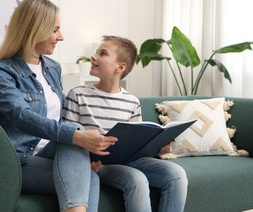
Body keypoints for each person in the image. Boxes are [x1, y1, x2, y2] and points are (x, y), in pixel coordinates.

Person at [0, 0, 118, 212]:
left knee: (77, 138)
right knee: (86, 169)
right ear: (35, 29)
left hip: (49, 153)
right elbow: (20, 114)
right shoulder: (0, 72)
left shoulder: (53, 68)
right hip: (17, 161)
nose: (61, 37)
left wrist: (89, 148)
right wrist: (76, 136)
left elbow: (64, 115)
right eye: (55, 30)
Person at [63, 35, 188, 212]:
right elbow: (67, 137)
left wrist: (157, 147)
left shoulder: (132, 101)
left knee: (177, 175)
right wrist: (83, 162)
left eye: (102, 53)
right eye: (96, 52)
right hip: (98, 164)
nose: (94, 57)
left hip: (128, 160)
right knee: (136, 179)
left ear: (120, 67)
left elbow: (136, 144)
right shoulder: (78, 94)